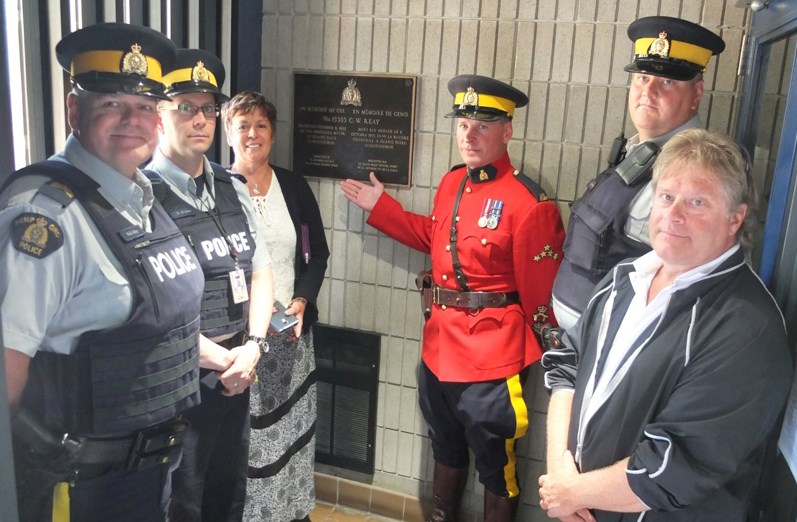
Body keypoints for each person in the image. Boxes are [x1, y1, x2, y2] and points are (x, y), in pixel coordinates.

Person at [1, 23, 204, 522]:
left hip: (149, 471)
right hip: (76, 487)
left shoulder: (143, 199)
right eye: (111, 103)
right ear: (75, 110)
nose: (131, 120)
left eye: (143, 107)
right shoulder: (45, 218)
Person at [341, 75, 565, 521]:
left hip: (493, 355)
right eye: (463, 123)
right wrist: (382, 207)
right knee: (444, 444)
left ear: (508, 130)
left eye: (483, 124)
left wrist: (548, 355)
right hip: (440, 345)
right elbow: (436, 237)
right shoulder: (452, 183)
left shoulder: (529, 203)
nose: (470, 134)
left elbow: (542, 296)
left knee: (496, 464)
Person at [539, 129, 793, 521]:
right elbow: (567, 367)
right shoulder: (623, 279)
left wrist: (570, 492)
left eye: (697, 202)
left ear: (734, 219)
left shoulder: (746, 328)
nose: (674, 215)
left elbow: (672, 470)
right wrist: (560, 473)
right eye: (666, 197)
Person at [146, 49, 274, 521]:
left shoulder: (231, 185)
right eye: (185, 107)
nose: (199, 119)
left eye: (207, 109)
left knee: (228, 494)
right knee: (183, 500)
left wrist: (253, 347)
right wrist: (225, 362)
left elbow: (260, 269)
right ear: (160, 115)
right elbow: (153, 309)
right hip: (185, 377)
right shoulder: (143, 196)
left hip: (239, 367)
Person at [551, 16, 726, 330]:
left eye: (667, 81)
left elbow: (688, 288)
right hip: (587, 344)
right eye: (642, 78)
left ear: (696, 94)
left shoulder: (693, 171)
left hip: (623, 350)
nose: (649, 90)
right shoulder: (637, 152)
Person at [221, 91, 329, 522]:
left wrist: (302, 301)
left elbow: (316, 252)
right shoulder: (218, 191)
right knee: (252, 442)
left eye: (261, 125)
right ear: (228, 132)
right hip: (244, 342)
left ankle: (292, 512)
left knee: (294, 434)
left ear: (273, 133)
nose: (253, 134)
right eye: (242, 125)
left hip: (293, 335)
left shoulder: (294, 186)